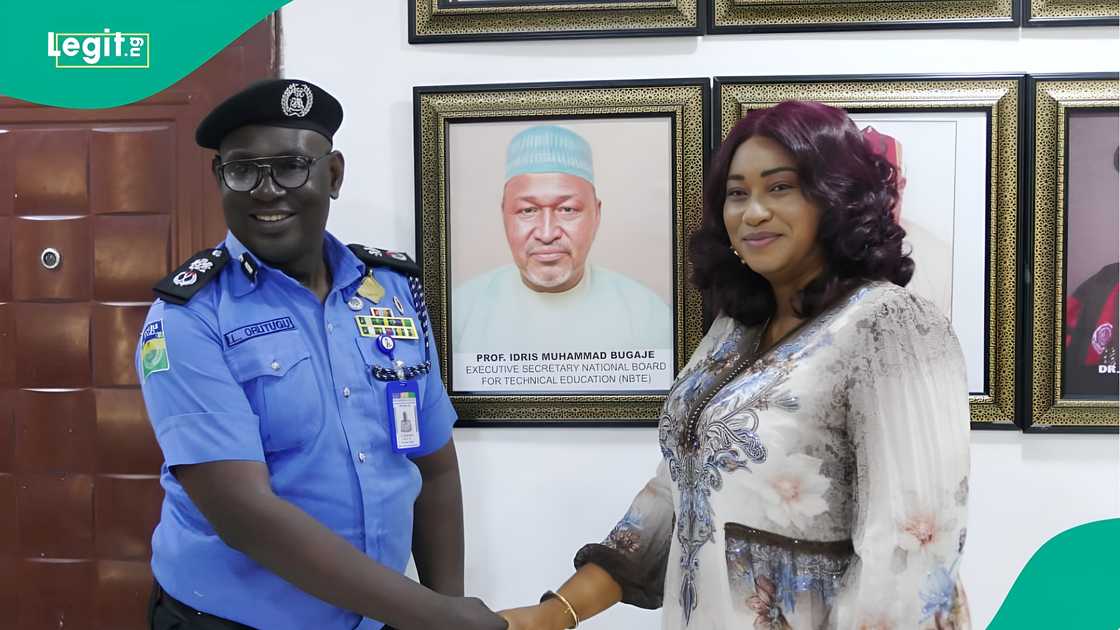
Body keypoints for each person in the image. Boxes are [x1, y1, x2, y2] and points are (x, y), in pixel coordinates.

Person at [499, 101, 972, 630]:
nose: (753, 212)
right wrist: (557, 612)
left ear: (836, 198)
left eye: (780, 187)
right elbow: (676, 488)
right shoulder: (737, 327)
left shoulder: (893, 326)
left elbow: (911, 552)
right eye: (737, 193)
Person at [135, 79, 507, 630]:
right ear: (219, 178)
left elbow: (433, 467)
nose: (266, 190)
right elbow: (244, 516)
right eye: (242, 170)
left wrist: (446, 604)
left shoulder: (393, 292)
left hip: (381, 618)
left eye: (290, 166)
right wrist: (434, 616)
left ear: (332, 175)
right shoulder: (188, 316)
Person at [452, 124, 672, 355]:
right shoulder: (461, 312)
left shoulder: (647, 315)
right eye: (528, 211)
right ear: (503, 214)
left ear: (596, 214)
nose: (547, 234)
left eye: (567, 209)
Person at [861, 125, 955, 317]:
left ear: (901, 186)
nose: (874, 201)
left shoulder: (938, 259)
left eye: (884, 189)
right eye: (863, 190)